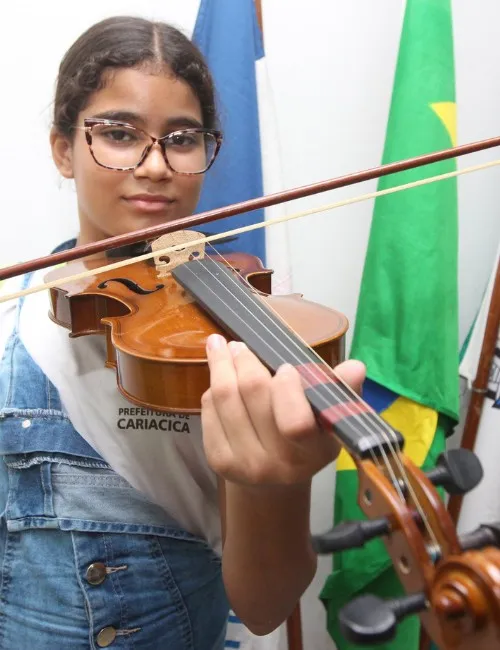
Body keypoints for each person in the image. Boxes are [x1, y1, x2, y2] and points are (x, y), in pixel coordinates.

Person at [0, 15, 365, 649]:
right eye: (118, 134)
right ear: (63, 149)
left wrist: (273, 483)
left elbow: (265, 606)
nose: (157, 165)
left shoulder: (239, 341)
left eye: (182, 138)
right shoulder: (16, 318)